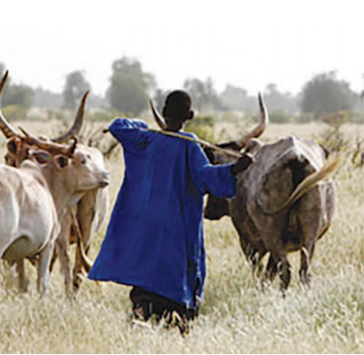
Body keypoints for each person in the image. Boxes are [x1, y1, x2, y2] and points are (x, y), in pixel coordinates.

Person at [88, 90, 253, 326]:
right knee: (176, 273)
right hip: (176, 228)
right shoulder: (189, 147)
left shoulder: (145, 139)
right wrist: (236, 169)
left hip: (147, 223)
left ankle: (142, 312)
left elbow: (118, 126)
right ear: (190, 115)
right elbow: (206, 178)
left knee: (145, 269)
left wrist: (143, 125)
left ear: (163, 112)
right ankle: (176, 318)